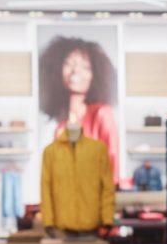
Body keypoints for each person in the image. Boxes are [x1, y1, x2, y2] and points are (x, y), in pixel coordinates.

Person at [39, 36, 119, 182]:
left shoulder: (102, 114)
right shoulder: (57, 124)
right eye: (68, 64)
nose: (75, 71)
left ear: (96, 73)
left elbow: (112, 160)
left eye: (85, 66)